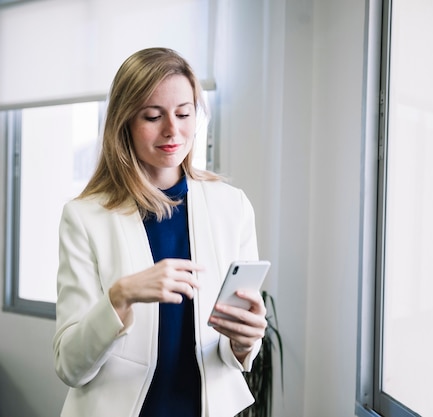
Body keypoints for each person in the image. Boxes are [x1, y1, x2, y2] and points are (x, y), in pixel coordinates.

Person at [53, 47, 267, 417]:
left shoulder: (233, 207)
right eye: (153, 116)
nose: (172, 130)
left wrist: (245, 342)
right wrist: (120, 297)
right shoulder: (84, 217)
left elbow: (233, 347)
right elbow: (70, 366)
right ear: (124, 122)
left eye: (184, 113)